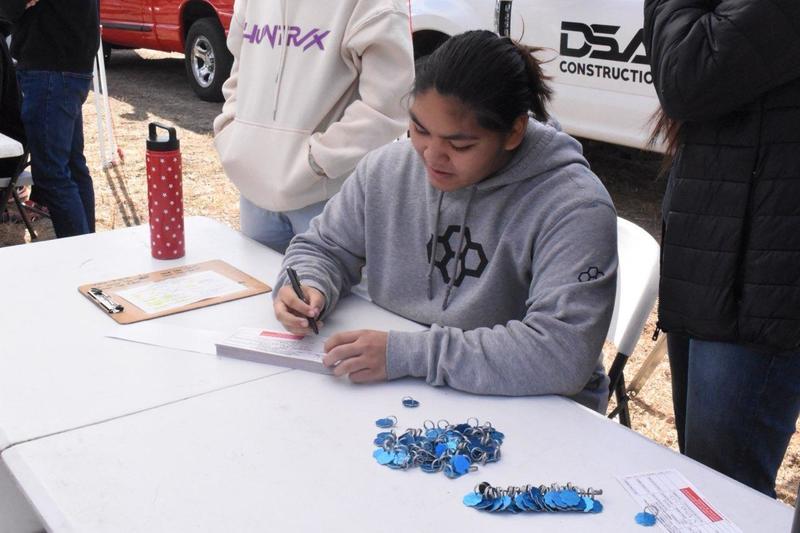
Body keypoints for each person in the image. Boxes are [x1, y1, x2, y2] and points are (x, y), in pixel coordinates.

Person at [272, 30, 618, 412]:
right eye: (419, 129)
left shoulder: (573, 206)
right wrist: (309, 283)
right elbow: (324, 247)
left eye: (460, 145)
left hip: (537, 409)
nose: (431, 156)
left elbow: (561, 353)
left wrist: (407, 354)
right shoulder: (388, 169)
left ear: (513, 132)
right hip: (402, 394)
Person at [644, 0, 800, 497]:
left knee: (724, 491)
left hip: (760, 275)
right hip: (713, 250)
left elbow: (686, 74)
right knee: (704, 480)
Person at [214, 0, 414, 254]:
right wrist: (232, 131)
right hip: (254, 188)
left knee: (323, 281)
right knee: (256, 280)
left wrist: (319, 160)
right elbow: (240, 64)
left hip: (327, 197)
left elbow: (389, 104)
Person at [7, 0, 99, 238]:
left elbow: (12, 6)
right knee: (71, 165)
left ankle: (81, 253)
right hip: (68, 61)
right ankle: (87, 247)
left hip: (50, 64)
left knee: (52, 172)